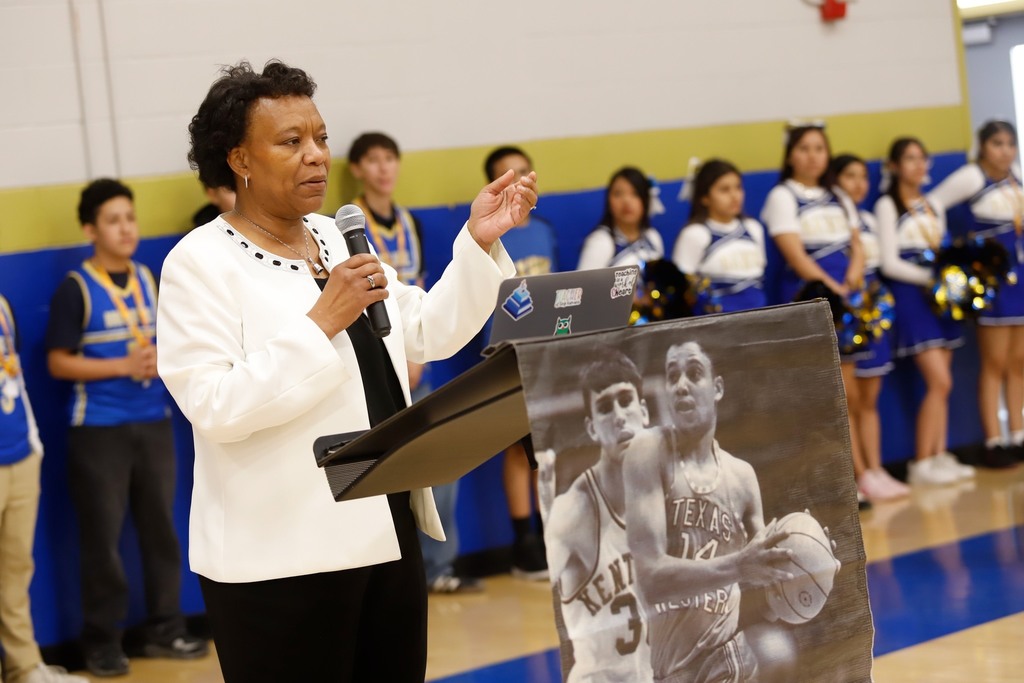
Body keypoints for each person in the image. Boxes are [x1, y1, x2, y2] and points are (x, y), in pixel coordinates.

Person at [157, 60, 532, 683]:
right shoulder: (199, 264)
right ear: (239, 160)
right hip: (280, 554)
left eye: (321, 137)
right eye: (291, 141)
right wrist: (320, 322)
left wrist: (479, 241)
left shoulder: (336, 237)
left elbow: (423, 328)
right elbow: (215, 405)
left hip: (384, 529)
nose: (316, 156)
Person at [45, 178, 207, 678]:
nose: (125, 229)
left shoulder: (148, 276)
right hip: (100, 430)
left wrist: (162, 360)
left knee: (162, 532)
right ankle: (102, 642)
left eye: (130, 218)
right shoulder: (76, 288)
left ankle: (165, 627)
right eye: (113, 221)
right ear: (90, 229)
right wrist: (122, 367)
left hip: (153, 422)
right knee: (103, 540)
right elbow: (58, 363)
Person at [346, 132, 477, 594]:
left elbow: (415, 293)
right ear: (358, 169)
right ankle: (397, 570)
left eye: (390, 159)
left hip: (419, 363)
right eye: (373, 161)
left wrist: (415, 352)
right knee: (387, 473)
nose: (384, 168)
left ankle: (441, 567)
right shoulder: (343, 229)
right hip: (380, 363)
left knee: (438, 468)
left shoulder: (411, 223)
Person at [622, 341, 795, 683]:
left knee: (776, 650)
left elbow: (765, 597)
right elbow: (651, 579)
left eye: (694, 373)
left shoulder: (742, 476)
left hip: (726, 657)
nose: (681, 385)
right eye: (673, 377)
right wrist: (738, 566)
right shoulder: (649, 451)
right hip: (663, 667)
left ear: (717, 388)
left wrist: (806, 568)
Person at [760, 123, 870, 508]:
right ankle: (833, 483)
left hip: (848, 303)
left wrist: (854, 276)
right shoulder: (781, 196)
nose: (812, 155)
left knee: (850, 393)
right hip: (811, 302)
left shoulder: (838, 194)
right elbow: (796, 256)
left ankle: (857, 475)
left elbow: (857, 244)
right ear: (790, 154)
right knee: (825, 395)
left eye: (819, 148)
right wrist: (832, 288)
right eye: (804, 148)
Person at [545, 349, 654, 682]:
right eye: (605, 408)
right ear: (592, 428)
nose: (619, 416)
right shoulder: (574, 511)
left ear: (644, 411)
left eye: (625, 400)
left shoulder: (667, 489)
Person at [876, 138, 977, 483]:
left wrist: (950, 279)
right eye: (909, 159)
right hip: (911, 297)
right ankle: (920, 463)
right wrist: (928, 277)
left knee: (942, 385)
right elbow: (888, 263)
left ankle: (938, 455)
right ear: (893, 166)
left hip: (940, 299)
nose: (918, 165)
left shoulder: (934, 204)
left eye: (922, 158)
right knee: (940, 380)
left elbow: (944, 251)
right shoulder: (888, 206)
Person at [0, 294, 87, 683]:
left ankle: (24, 667)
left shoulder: (3, 302)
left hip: (19, 451)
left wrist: (31, 439)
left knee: (16, 570)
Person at [929, 120, 1024, 467]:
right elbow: (931, 204)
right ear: (982, 146)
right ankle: (993, 440)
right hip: (992, 284)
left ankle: (1017, 433)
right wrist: (956, 255)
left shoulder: (1015, 178)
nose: (1005, 151)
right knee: (994, 361)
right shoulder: (972, 177)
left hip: (1019, 278)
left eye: (1010, 144)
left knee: (1018, 362)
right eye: (997, 143)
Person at [484, 146, 559, 580]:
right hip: (510, 348)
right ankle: (523, 542)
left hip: (550, 346)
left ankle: (552, 535)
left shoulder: (544, 230)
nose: (516, 181)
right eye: (504, 175)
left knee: (547, 442)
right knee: (518, 443)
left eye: (522, 173)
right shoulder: (490, 233)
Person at [830, 154, 909, 501]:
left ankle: (876, 469)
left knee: (870, 399)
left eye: (863, 177)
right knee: (849, 398)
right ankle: (859, 473)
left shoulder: (869, 219)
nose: (859, 184)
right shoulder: (834, 224)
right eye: (849, 176)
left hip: (872, 311)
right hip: (845, 311)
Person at [672, 159, 767, 314]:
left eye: (738, 187)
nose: (734, 196)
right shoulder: (695, 234)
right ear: (705, 198)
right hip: (716, 327)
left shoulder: (754, 228)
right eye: (724, 190)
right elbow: (681, 293)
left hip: (760, 319)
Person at [578, 167, 664, 270]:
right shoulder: (601, 241)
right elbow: (584, 285)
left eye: (635, 194)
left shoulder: (652, 237)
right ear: (608, 201)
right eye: (618, 194)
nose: (626, 201)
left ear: (645, 200)